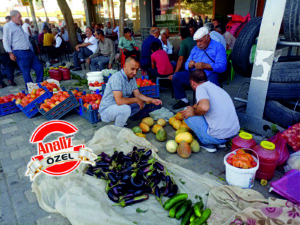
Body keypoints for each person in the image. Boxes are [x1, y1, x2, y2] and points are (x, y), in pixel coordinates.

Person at [181, 69, 239, 152]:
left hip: (217, 137)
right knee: (195, 111)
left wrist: (192, 111)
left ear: (192, 82)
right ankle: (221, 143)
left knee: (186, 112)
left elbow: (204, 107)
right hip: (231, 135)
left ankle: (208, 143)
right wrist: (193, 107)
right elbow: (200, 104)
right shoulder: (215, 87)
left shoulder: (200, 88)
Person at [172, 27, 227, 110]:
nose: (198, 44)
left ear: (208, 37)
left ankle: (212, 104)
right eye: (196, 41)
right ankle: (183, 100)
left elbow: (222, 66)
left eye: (200, 41)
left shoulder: (218, 47)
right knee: (176, 76)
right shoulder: (195, 49)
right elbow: (187, 64)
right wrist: (189, 65)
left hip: (209, 74)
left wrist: (207, 66)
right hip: (195, 73)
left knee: (211, 81)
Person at [99, 56, 162, 127]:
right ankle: (117, 129)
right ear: (125, 66)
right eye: (132, 69)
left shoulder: (132, 78)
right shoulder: (117, 78)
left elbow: (138, 94)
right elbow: (119, 101)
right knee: (126, 109)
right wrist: (136, 100)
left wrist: (152, 100)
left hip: (118, 107)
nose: (135, 72)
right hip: (107, 110)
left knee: (141, 104)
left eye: (137, 69)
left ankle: (121, 120)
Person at [3, 10, 43, 85]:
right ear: (13, 17)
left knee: (39, 67)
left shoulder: (19, 25)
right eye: (19, 17)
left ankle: (39, 85)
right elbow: (5, 41)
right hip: (19, 52)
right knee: (26, 73)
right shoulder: (8, 26)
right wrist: (10, 53)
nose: (20, 18)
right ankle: (31, 91)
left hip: (29, 51)